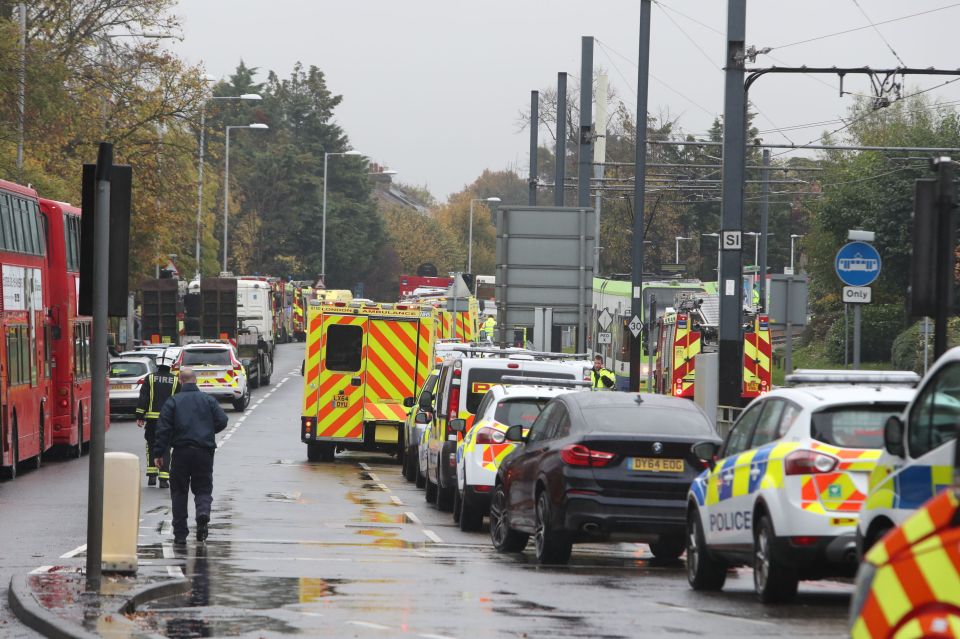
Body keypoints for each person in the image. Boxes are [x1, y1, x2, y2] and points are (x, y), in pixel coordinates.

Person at [154, 367, 229, 545]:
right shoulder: (208, 400)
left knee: (179, 492)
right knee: (203, 488)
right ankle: (203, 513)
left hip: (180, 452)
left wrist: (158, 453)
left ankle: (180, 534)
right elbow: (223, 420)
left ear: (180, 381)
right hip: (204, 451)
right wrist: (207, 432)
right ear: (196, 381)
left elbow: (163, 429)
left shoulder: (173, 401)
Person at [135, 350, 180, 488]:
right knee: (166, 447)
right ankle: (164, 479)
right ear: (171, 363)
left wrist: (140, 415)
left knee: (151, 445)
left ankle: (152, 477)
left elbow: (144, 398)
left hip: (152, 421)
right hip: (168, 421)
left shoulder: (150, 378)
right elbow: (178, 401)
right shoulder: (176, 381)